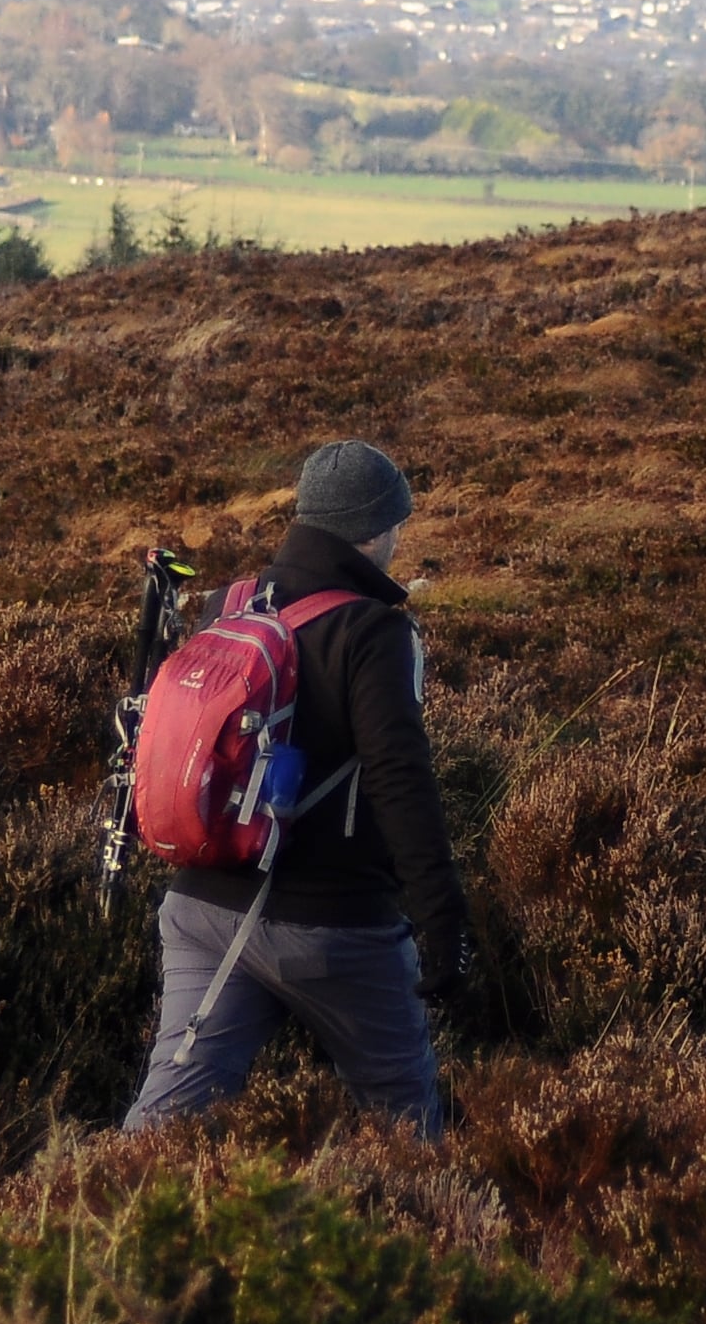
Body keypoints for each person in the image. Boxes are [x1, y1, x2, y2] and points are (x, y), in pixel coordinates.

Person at [125, 437, 473, 1138]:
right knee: (406, 1119)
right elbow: (401, 780)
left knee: (165, 1125)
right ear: (374, 530)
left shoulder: (228, 603)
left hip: (201, 910)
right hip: (335, 928)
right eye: (397, 525)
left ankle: (94, 1229)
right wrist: (443, 924)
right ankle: (433, 1235)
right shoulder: (374, 631)